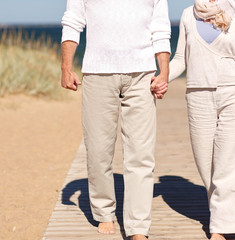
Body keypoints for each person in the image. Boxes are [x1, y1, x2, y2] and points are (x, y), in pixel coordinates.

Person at [60, 0, 171, 239]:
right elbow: (72, 21)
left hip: (142, 74)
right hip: (97, 73)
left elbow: (160, 28)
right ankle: (104, 211)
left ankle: (138, 227)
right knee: (98, 149)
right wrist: (66, 67)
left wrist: (164, 71)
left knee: (141, 154)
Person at [160, 0, 235, 239]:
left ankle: (223, 228)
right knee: (206, 164)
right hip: (198, 95)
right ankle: (222, 218)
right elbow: (180, 59)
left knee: (228, 164)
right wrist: (161, 78)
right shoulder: (187, 15)